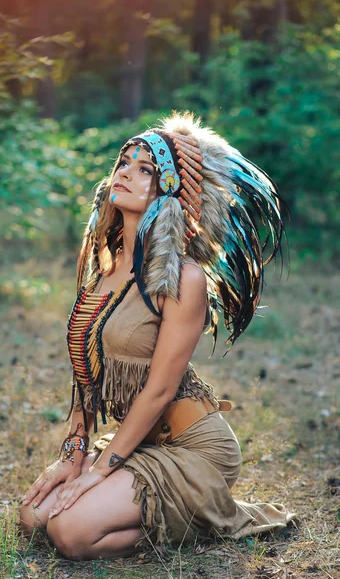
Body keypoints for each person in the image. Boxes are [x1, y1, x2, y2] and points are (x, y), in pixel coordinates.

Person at [20, 112, 295, 560]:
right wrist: (73, 454)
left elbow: (160, 388)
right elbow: (85, 379)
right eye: (123, 163)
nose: (126, 173)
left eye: (145, 168)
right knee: (33, 518)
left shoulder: (182, 278)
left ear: (167, 189)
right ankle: (149, 505)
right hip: (139, 444)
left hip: (194, 451)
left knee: (69, 533)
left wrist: (98, 473)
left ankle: (204, 519)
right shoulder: (104, 273)